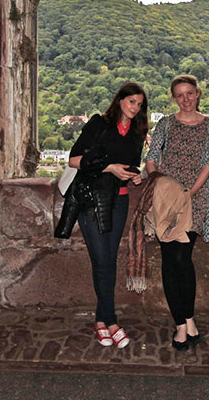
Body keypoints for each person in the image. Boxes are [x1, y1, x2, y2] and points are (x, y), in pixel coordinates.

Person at [68, 82, 147, 349]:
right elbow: (73, 159)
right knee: (102, 260)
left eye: (139, 104)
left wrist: (134, 175)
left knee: (108, 261)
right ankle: (111, 321)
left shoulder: (137, 132)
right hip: (92, 200)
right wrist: (110, 167)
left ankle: (100, 321)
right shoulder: (99, 124)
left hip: (120, 199)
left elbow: (131, 163)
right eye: (131, 101)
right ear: (120, 100)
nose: (135, 107)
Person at [145, 75, 209, 351]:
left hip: (194, 200)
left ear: (198, 94)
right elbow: (152, 158)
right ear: (174, 98)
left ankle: (187, 319)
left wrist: (188, 194)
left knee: (182, 259)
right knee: (169, 260)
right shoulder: (165, 123)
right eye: (180, 95)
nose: (185, 99)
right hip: (165, 201)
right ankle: (182, 324)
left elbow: (208, 163)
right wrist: (162, 186)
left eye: (190, 93)